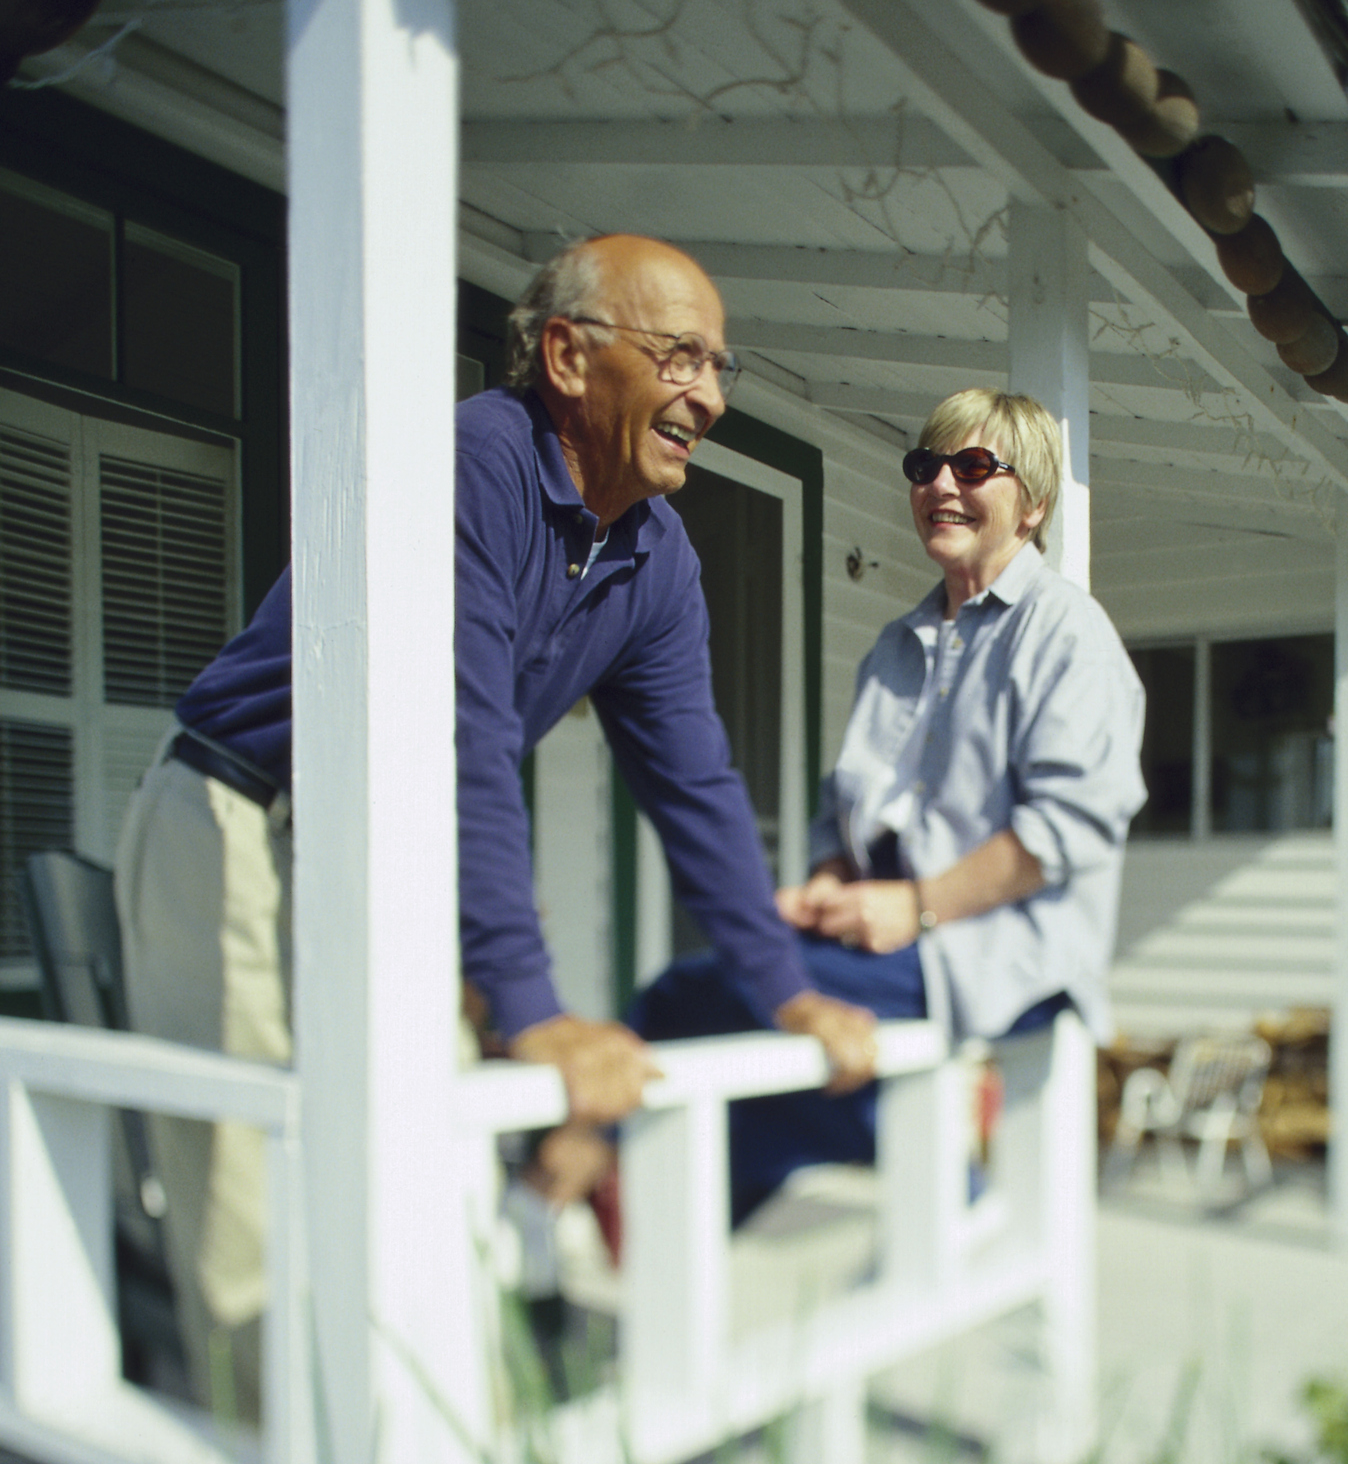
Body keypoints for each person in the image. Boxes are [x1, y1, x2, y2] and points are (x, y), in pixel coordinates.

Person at [113, 234, 877, 1411]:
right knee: (245, 1198)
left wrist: (786, 988)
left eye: (721, 366)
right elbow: (453, 737)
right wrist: (528, 1006)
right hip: (238, 816)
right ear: (567, 357)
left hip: (380, 846)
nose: (709, 396)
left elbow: (696, 782)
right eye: (680, 357)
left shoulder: (656, 558)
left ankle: (431, 1424)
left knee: (437, 1172)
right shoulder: (471, 463)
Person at [621, 387, 1146, 1222]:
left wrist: (917, 905)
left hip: (1006, 954)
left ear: (1033, 503)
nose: (941, 484)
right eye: (924, 466)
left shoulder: (1066, 636)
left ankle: (578, 1210)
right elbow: (846, 812)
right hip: (892, 940)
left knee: (700, 992)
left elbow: (1067, 828)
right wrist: (832, 880)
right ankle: (690, 1246)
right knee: (738, 995)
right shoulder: (897, 646)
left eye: (973, 467)